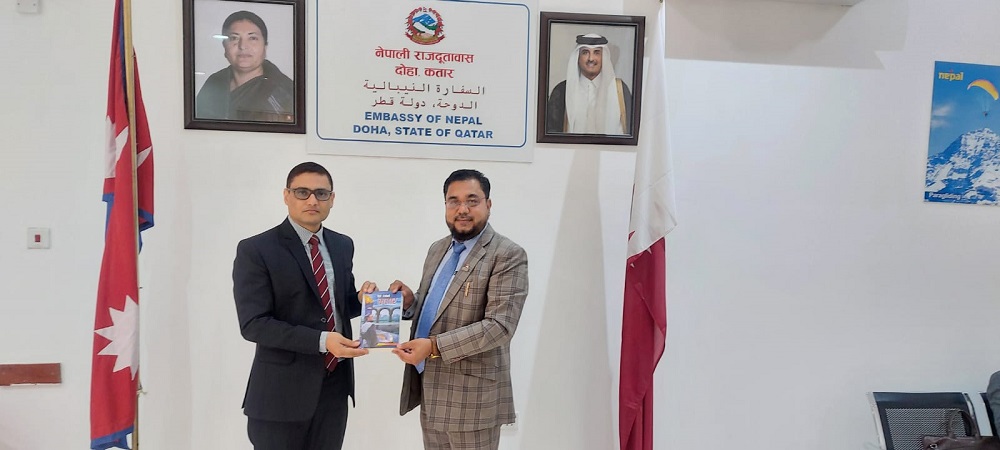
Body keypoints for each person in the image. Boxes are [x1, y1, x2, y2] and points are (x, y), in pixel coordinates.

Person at [360, 169, 528, 450]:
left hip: (474, 401)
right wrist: (411, 302)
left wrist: (434, 346)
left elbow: (500, 327)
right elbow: (438, 307)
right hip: (431, 390)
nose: (462, 209)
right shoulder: (438, 249)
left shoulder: (507, 254)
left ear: (488, 204)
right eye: (454, 201)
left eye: (472, 200)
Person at [232, 161, 368, 450]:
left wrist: (366, 300)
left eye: (321, 193)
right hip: (280, 394)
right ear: (286, 196)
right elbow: (254, 324)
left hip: (334, 387)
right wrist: (323, 341)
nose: (311, 200)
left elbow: (338, 305)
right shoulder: (256, 249)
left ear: (332, 199)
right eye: (302, 192)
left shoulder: (343, 245)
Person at [196, 10, 295, 122]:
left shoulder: (284, 91)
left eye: (252, 38)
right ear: (224, 47)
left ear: (265, 47)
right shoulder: (215, 82)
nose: (243, 46)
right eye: (234, 38)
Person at [545, 33, 634, 135]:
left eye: (596, 53)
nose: (591, 58)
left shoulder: (620, 90)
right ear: (578, 57)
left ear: (604, 57)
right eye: (585, 52)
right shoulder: (561, 91)